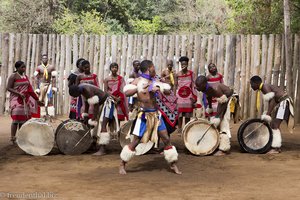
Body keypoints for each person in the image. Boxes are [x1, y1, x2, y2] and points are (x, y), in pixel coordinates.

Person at [119, 60, 181, 175]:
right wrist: (141, 88)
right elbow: (127, 93)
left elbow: (168, 92)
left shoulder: (155, 80)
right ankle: (122, 164)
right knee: (136, 141)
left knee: (166, 139)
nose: (155, 69)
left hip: (156, 115)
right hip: (143, 116)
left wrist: (160, 87)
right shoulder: (137, 81)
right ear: (149, 68)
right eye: (153, 67)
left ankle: (173, 164)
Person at [250, 75, 295, 154]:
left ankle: (276, 148)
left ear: (256, 83)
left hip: (284, 103)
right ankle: (276, 146)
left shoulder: (265, 87)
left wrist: (267, 114)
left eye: (251, 84)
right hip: (282, 103)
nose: (251, 86)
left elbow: (272, 101)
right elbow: (272, 101)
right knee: (274, 125)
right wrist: (268, 113)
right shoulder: (264, 87)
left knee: (275, 125)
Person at [91, 63, 128, 155]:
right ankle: (102, 146)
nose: (114, 69)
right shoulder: (107, 79)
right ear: (110, 69)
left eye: (116, 67)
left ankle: (121, 145)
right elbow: (106, 91)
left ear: (117, 68)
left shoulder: (121, 79)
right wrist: (114, 98)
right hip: (109, 102)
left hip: (119, 103)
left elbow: (124, 90)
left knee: (117, 124)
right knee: (105, 121)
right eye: (113, 67)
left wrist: (119, 99)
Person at [195, 75, 233, 156]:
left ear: (204, 84)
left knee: (223, 125)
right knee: (216, 124)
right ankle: (217, 145)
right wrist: (210, 108)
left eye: (198, 86)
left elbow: (223, 101)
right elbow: (209, 98)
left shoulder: (213, 89)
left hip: (225, 102)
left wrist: (218, 117)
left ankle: (224, 149)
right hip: (220, 102)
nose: (196, 88)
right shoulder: (206, 89)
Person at [7, 61, 40, 144]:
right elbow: (8, 88)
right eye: (22, 67)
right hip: (16, 99)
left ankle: (21, 137)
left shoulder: (26, 77)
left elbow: (30, 89)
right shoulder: (13, 76)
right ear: (17, 68)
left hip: (25, 99)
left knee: (23, 119)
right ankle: (12, 138)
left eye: (24, 67)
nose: (24, 68)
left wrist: (37, 99)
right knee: (16, 118)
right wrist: (19, 93)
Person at [175, 56, 197, 135]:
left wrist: (194, 97)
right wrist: (174, 96)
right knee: (180, 114)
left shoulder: (191, 74)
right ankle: (180, 129)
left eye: (185, 64)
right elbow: (175, 86)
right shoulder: (177, 74)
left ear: (187, 64)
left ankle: (186, 128)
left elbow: (194, 85)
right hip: (179, 97)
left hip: (188, 96)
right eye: (182, 64)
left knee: (188, 114)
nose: (183, 66)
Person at [159, 59, 178, 134]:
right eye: (168, 65)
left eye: (171, 65)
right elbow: (160, 80)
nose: (169, 66)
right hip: (165, 92)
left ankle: (173, 123)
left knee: (173, 107)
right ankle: (167, 121)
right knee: (166, 107)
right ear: (167, 65)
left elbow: (175, 83)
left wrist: (174, 93)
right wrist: (164, 78)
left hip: (171, 91)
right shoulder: (164, 71)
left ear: (172, 65)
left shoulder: (174, 72)